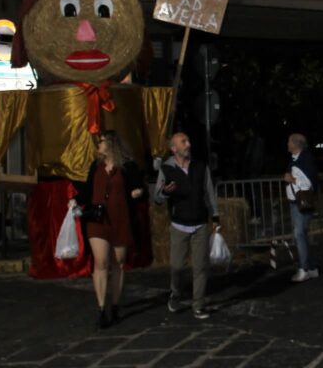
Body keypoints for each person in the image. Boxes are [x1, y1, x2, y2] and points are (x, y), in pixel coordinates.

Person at [70, 131, 148, 329]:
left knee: (118, 264)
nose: (99, 144)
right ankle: (101, 308)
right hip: (98, 220)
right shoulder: (96, 166)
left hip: (120, 220)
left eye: (102, 141)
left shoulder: (127, 166)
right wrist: (76, 200)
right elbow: (88, 191)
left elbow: (140, 187)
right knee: (101, 262)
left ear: (112, 143)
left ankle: (114, 306)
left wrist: (138, 191)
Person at [155, 132, 219, 320]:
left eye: (188, 140)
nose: (188, 144)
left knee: (200, 267)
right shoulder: (166, 169)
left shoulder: (200, 166)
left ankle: (198, 304)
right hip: (179, 225)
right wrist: (165, 193)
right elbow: (157, 198)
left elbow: (209, 192)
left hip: (200, 223)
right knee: (177, 266)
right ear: (174, 148)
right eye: (184, 142)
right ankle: (175, 292)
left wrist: (215, 216)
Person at [284, 133, 318, 282]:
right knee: (301, 235)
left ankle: (304, 269)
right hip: (297, 203)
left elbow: (307, 184)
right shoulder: (299, 159)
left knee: (299, 235)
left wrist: (291, 179)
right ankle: (310, 268)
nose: (287, 144)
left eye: (289, 142)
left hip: (300, 203)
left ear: (296, 144)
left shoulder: (304, 160)